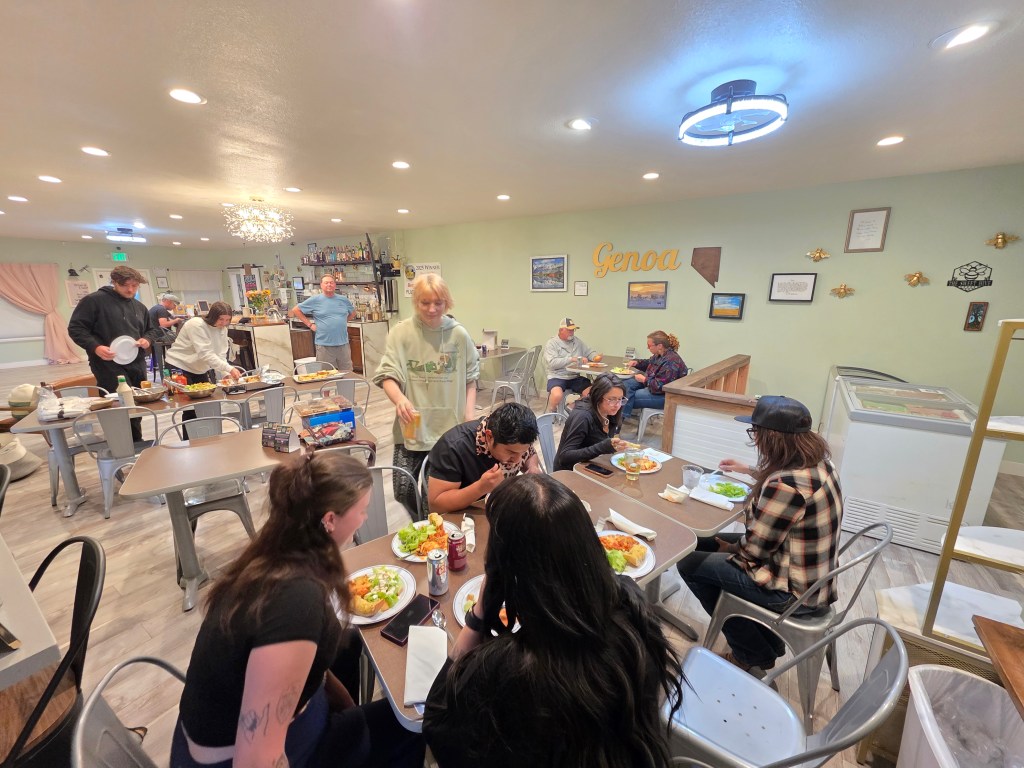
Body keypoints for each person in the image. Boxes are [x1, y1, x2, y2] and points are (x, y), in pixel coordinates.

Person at [170, 452, 425, 768]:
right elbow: (256, 761)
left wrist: (348, 708)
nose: (364, 519)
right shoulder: (296, 604)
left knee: (348, 644)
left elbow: (312, 667)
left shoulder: (274, 552)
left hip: (265, 720)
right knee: (414, 724)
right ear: (330, 520)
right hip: (235, 756)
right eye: (362, 511)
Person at [423, 474, 684, 767]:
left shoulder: (509, 667)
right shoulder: (632, 607)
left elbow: (435, 721)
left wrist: (479, 613)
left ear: (506, 568)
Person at [676, 395, 842, 676]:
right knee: (699, 542)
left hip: (792, 592)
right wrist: (749, 471)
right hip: (813, 575)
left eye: (756, 432)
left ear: (772, 437)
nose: (755, 439)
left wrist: (726, 548)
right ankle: (767, 642)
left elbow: (753, 551)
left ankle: (751, 654)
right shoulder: (821, 464)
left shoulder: (785, 486)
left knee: (689, 564)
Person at [373, 274, 480, 516]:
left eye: (438, 303)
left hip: (449, 428)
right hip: (413, 425)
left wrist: (469, 417)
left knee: (436, 497)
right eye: (425, 302)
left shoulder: (459, 335)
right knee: (404, 491)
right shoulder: (401, 333)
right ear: (416, 302)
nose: (432, 309)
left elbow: (471, 379)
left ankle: (435, 531)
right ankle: (419, 525)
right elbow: (388, 375)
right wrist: (400, 399)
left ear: (447, 303)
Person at [68, 265, 162, 440]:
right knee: (116, 404)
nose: (130, 290)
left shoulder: (139, 307)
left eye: (134, 286)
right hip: (107, 363)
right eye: (125, 285)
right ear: (114, 282)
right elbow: (76, 328)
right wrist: (95, 347)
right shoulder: (94, 301)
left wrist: (147, 339)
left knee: (135, 404)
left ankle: (135, 441)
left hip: (136, 362)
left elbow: (152, 330)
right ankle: (120, 443)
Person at [427, 402, 541, 513]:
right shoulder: (453, 447)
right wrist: (480, 488)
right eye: (511, 452)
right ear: (489, 436)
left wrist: (532, 467)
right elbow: (436, 506)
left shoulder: (517, 440)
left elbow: (530, 453)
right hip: (460, 515)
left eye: (522, 452)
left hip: (497, 508)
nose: (517, 460)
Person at [553, 373, 630, 471]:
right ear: (598, 396)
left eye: (620, 399)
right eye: (612, 399)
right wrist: (602, 447)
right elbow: (564, 457)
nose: (617, 405)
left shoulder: (610, 413)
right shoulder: (583, 416)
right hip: (570, 472)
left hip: (591, 465)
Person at [289, 274, 357, 372]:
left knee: (347, 372)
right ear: (321, 285)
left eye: (331, 282)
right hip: (324, 344)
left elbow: (353, 313)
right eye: (326, 283)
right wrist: (310, 325)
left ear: (335, 285)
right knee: (325, 374)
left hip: (343, 343)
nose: (329, 285)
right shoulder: (315, 300)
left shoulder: (343, 300)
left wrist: (342, 321)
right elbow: (296, 310)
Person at [620, 330, 687, 419]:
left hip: (665, 396)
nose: (648, 348)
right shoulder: (660, 355)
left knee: (626, 397)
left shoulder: (671, 362)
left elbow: (659, 387)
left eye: (649, 345)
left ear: (659, 346)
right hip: (652, 384)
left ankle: (618, 421)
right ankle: (620, 418)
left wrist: (644, 380)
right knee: (623, 386)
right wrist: (637, 363)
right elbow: (649, 363)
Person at [542, 317, 593, 412]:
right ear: (561, 330)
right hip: (557, 376)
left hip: (574, 376)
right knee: (557, 395)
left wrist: (595, 357)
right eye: (569, 330)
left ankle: (571, 406)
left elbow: (588, 352)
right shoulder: (552, 343)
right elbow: (552, 363)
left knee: (594, 391)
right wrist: (571, 359)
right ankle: (552, 412)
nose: (572, 332)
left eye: (573, 330)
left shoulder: (577, 341)